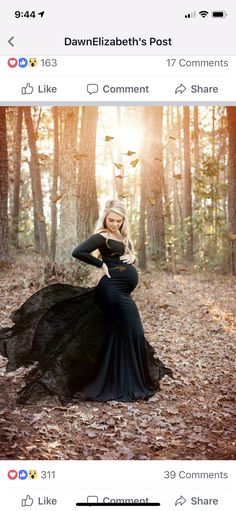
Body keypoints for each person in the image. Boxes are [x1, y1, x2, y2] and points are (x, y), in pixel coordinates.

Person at [0, 199, 172, 405]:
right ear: (105, 218)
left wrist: (132, 257)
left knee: (122, 332)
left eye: (119, 220)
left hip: (122, 291)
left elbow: (124, 255)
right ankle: (121, 384)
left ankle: (121, 380)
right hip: (111, 291)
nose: (115, 223)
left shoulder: (121, 235)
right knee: (132, 328)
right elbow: (78, 252)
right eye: (111, 220)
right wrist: (101, 264)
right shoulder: (102, 236)